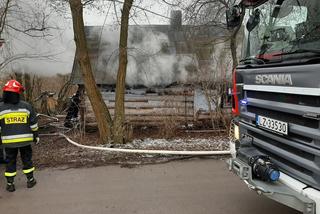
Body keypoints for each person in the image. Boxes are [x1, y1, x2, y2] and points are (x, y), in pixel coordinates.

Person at [0, 80, 39, 192]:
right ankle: (30, 180)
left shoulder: (1, 108)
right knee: (27, 160)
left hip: (8, 143)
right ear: (17, 93)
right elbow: (34, 124)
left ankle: (10, 184)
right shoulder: (26, 106)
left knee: (10, 161)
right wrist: (36, 136)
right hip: (25, 142)